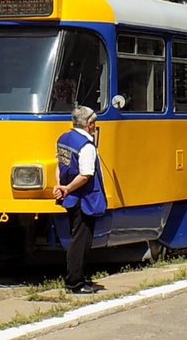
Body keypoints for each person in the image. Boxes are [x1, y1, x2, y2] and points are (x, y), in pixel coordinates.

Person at [53, 106, 107, 294]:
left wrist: (60, 186)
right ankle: (75, 282)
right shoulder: (86, 146)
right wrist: (67, 188)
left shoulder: (63, 139)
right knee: (81, 242)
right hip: (83, 200)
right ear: (89, 124)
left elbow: (60, 165)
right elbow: (86, 175)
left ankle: (77, 278)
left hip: (70, 199)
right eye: (94, 123)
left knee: (76, 239)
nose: (95, 127)